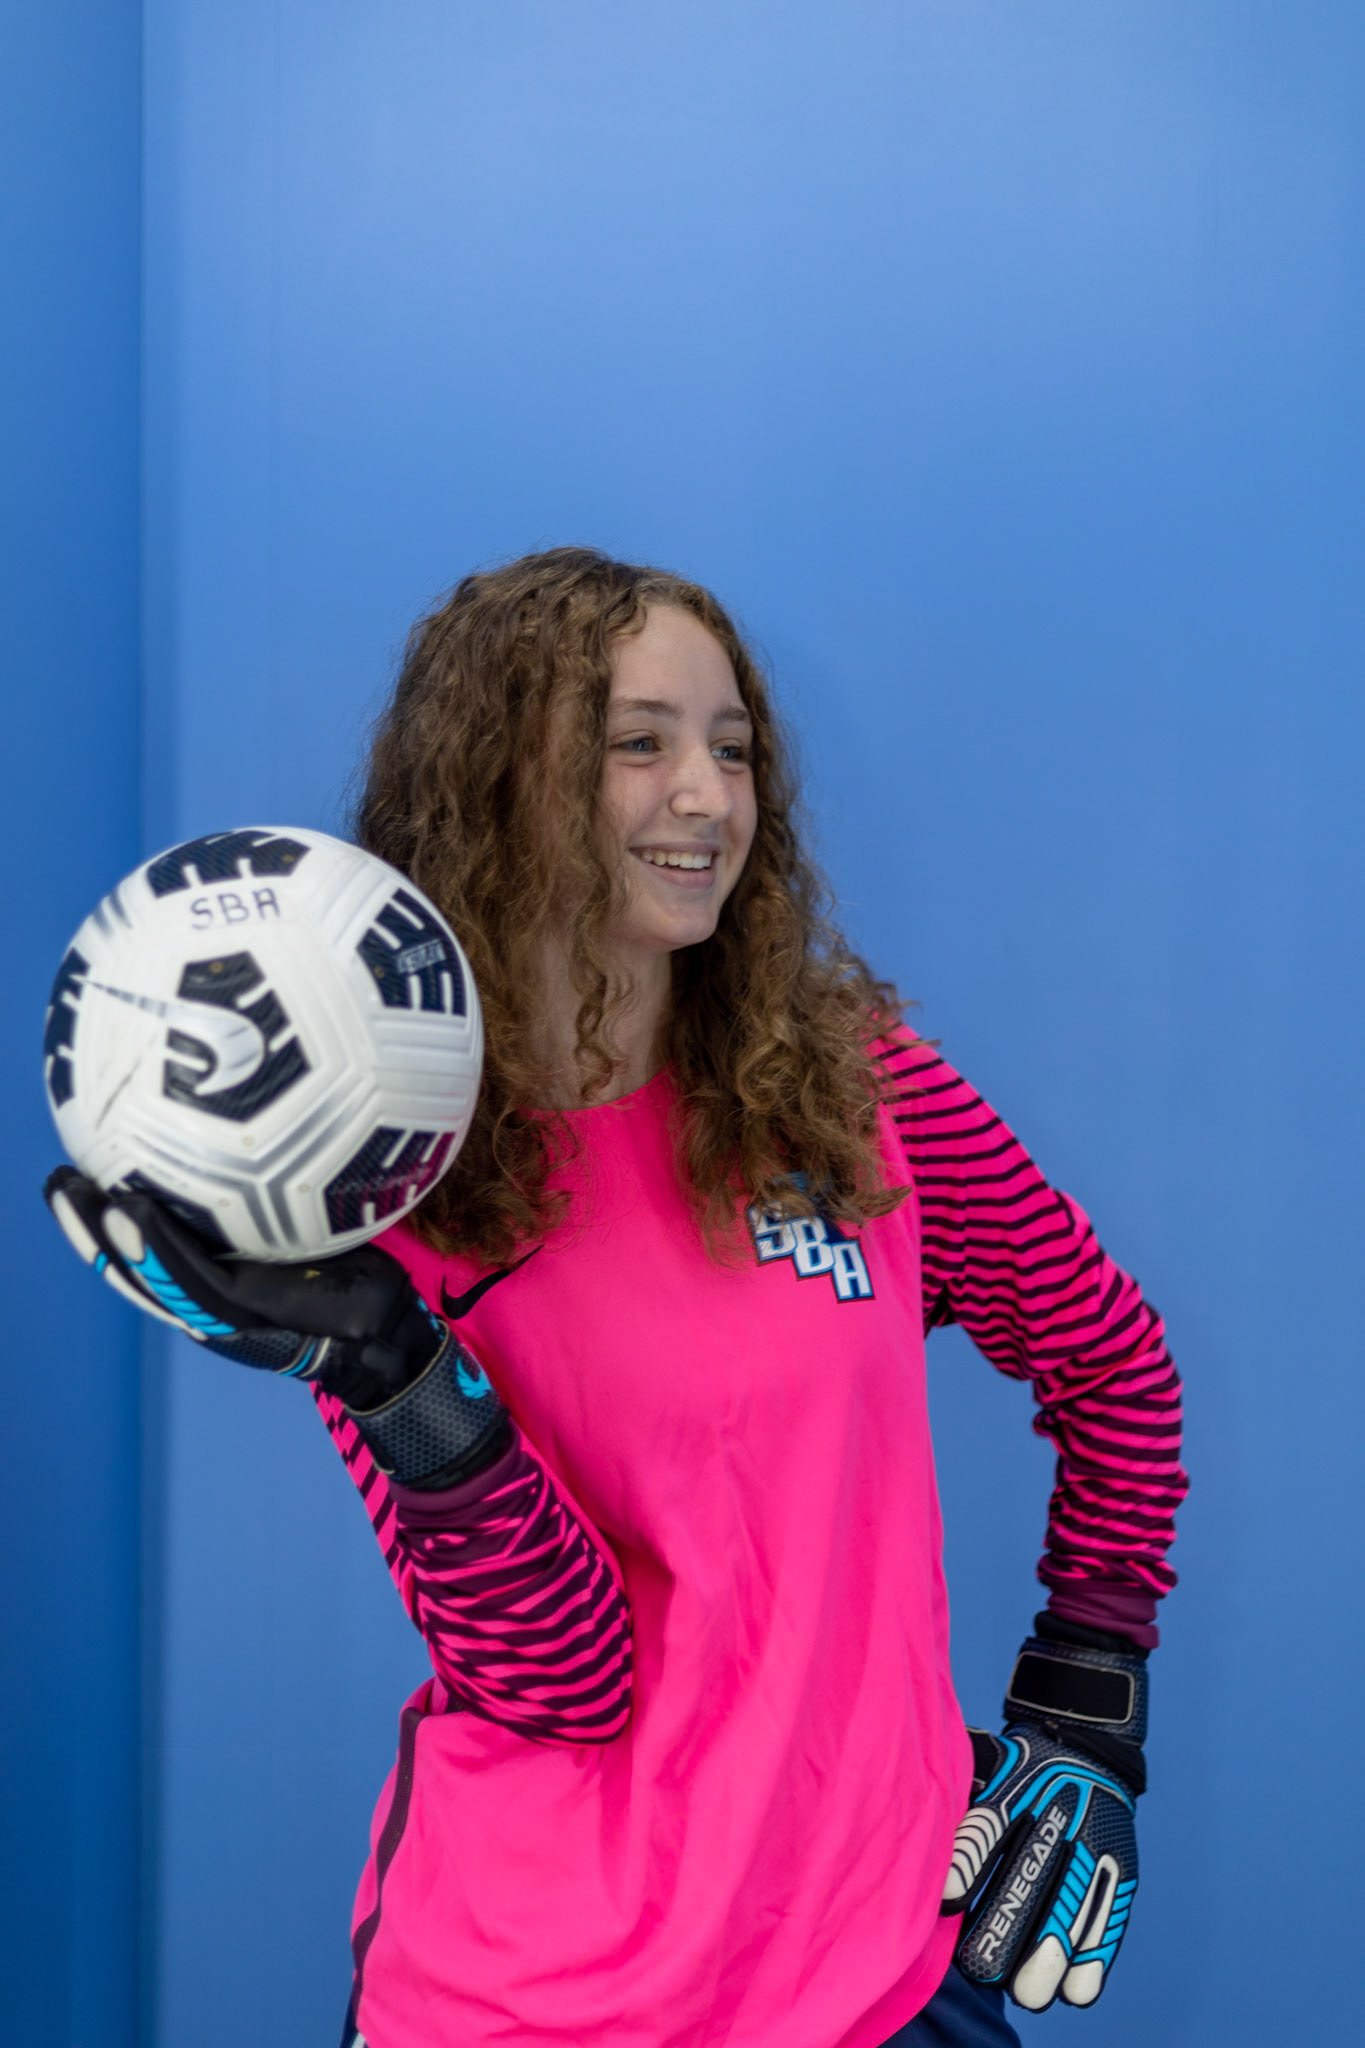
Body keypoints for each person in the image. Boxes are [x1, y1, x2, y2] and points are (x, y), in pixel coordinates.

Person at [47, 548, 1186, 2048]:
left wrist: (1082, 1695)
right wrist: (401, 1378)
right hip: (537, 1997)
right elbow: (567, 1682)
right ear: (501, 777)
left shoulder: (854, 1095)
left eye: (731, 748)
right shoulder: (388, 1190)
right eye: (637, 744)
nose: (705, 798)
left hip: (875, 1968)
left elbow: (1114, 1368)